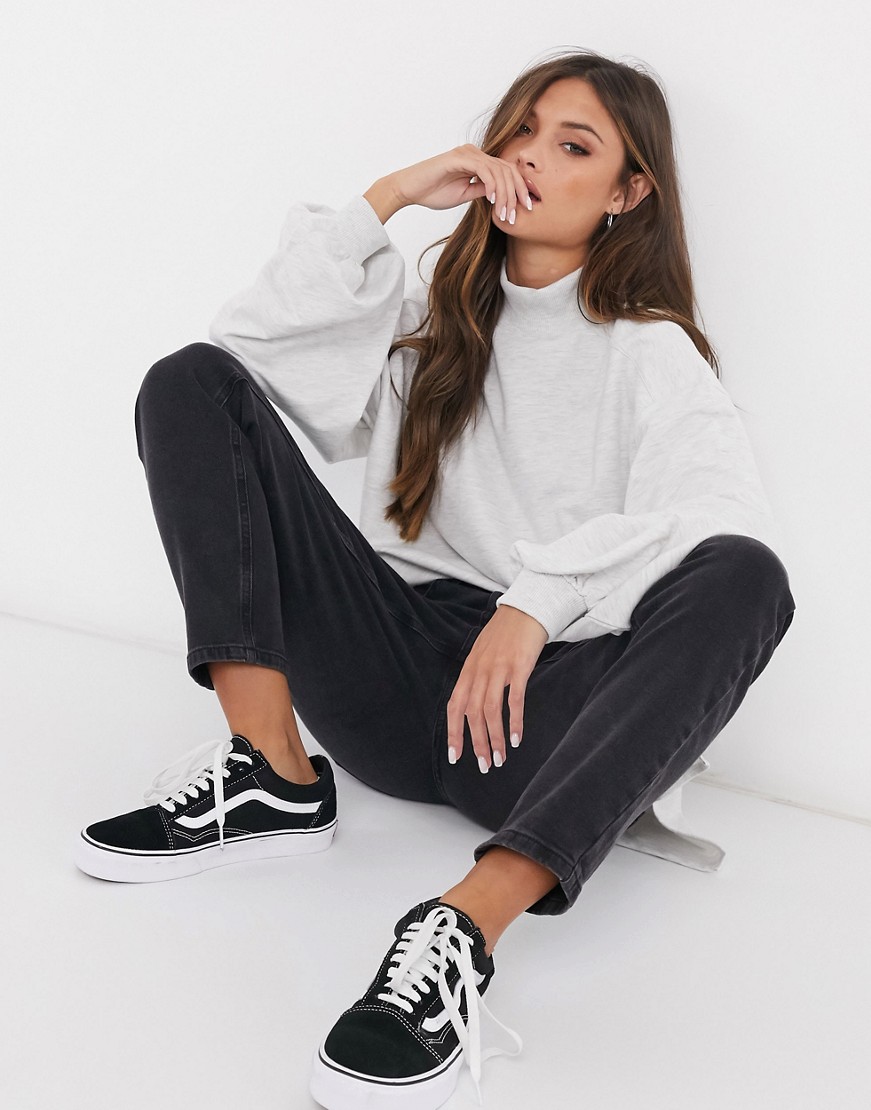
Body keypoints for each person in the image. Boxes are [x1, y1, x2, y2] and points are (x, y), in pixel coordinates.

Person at [74, 47, 796, 1110]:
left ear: (628, 193)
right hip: (389, 673)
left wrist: (533, 604)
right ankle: (270, 770)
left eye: (573, 145)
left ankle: (463, 927)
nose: (531, 157)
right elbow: (246, 358)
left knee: (746, 575)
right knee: (189, 380)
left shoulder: (649, 353)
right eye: (520, 131)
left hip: (532, 727)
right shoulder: (430, 319)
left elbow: (716, 519)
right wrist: (389, 198)